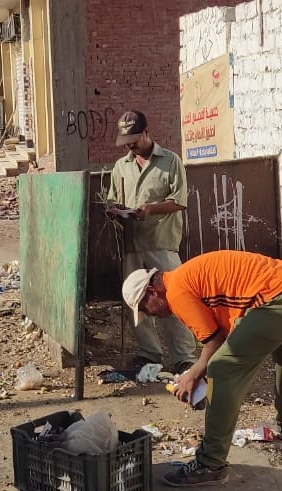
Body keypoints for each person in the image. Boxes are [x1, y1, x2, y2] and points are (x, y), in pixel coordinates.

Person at [122, 250, 282, 487]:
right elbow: (228, 335)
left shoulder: (176, 292)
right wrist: (199, 374)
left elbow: (214, 342)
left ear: (152, 292)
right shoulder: (185, 276)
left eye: (146, 308)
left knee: (222, 368)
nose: (152, 315)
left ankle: (210, 463)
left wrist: (193, 375)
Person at [105, 110, 199, 375]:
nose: (130, 146)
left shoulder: (170, 161)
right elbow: (113, 199)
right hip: (132, 243)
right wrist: (114, 211)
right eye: (126, 141)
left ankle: (184, 357)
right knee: (137, 301)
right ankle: (148, 353)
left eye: (134, 140)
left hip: (162, 242)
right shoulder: (121, 166)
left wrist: (152, 209)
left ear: (147, 132)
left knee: (174, 298)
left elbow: (179, 201)